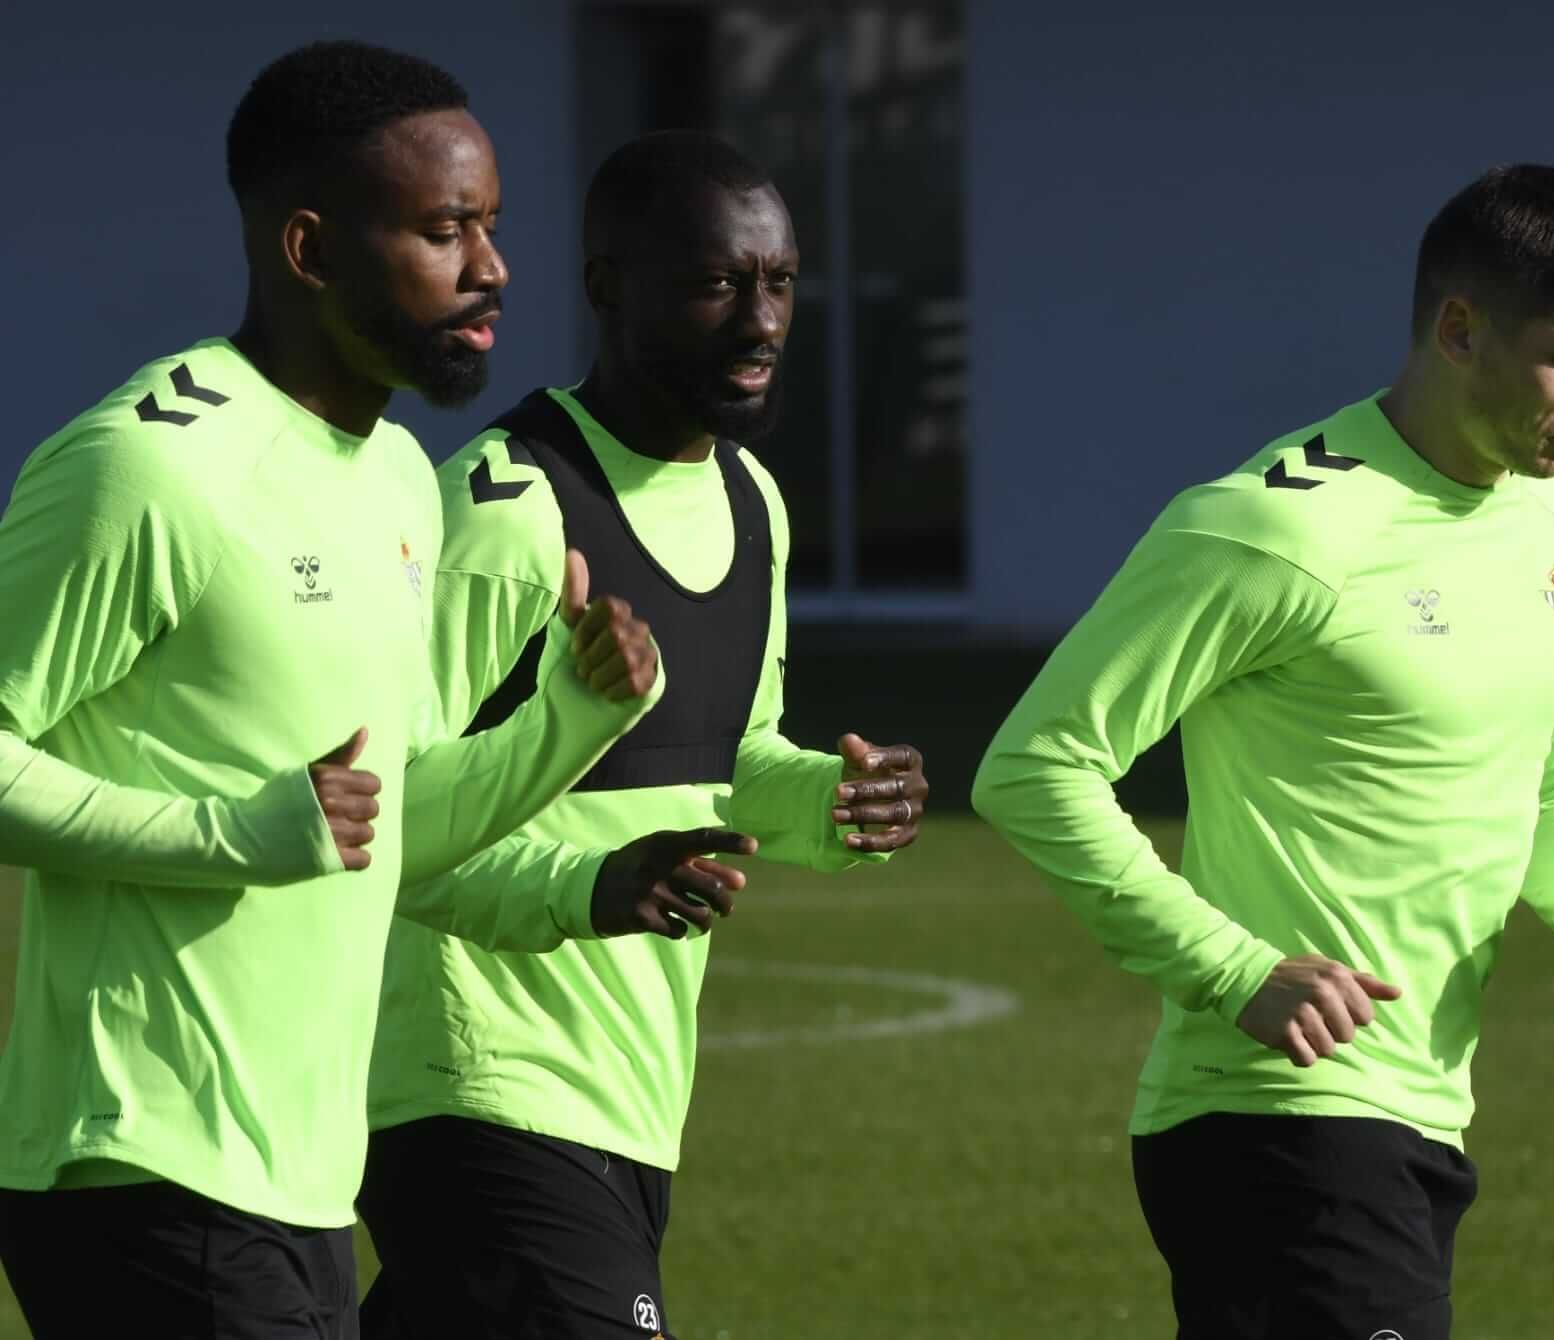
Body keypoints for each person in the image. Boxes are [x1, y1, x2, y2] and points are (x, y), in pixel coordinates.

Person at [0, 41, 671, 1338]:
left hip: (307, 1182)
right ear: (309, 250)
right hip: (140, 1161)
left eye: (490, 226)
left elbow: (401, 824)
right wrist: (234, 835)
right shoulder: (147, 471)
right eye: (444, 231)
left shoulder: (400, 481)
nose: (493, 270)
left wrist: (572, 721)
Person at [972, 164, 1554, 1340]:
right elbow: (1034, 766)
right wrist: (1232, 969)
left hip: (1423, 1108)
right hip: (1269, 1117)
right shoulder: (1273, 527)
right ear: (1457, 329)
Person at [356, 130, 929, 1339]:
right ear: (609, 285)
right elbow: (394, 819)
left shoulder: (751, 499)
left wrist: (836, 800)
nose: (761, 320)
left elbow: (735, 756)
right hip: (475, 1087)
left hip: (628, 1092)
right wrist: (590, 885)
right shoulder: (506, 509)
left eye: (778, 282)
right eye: (718, 283)